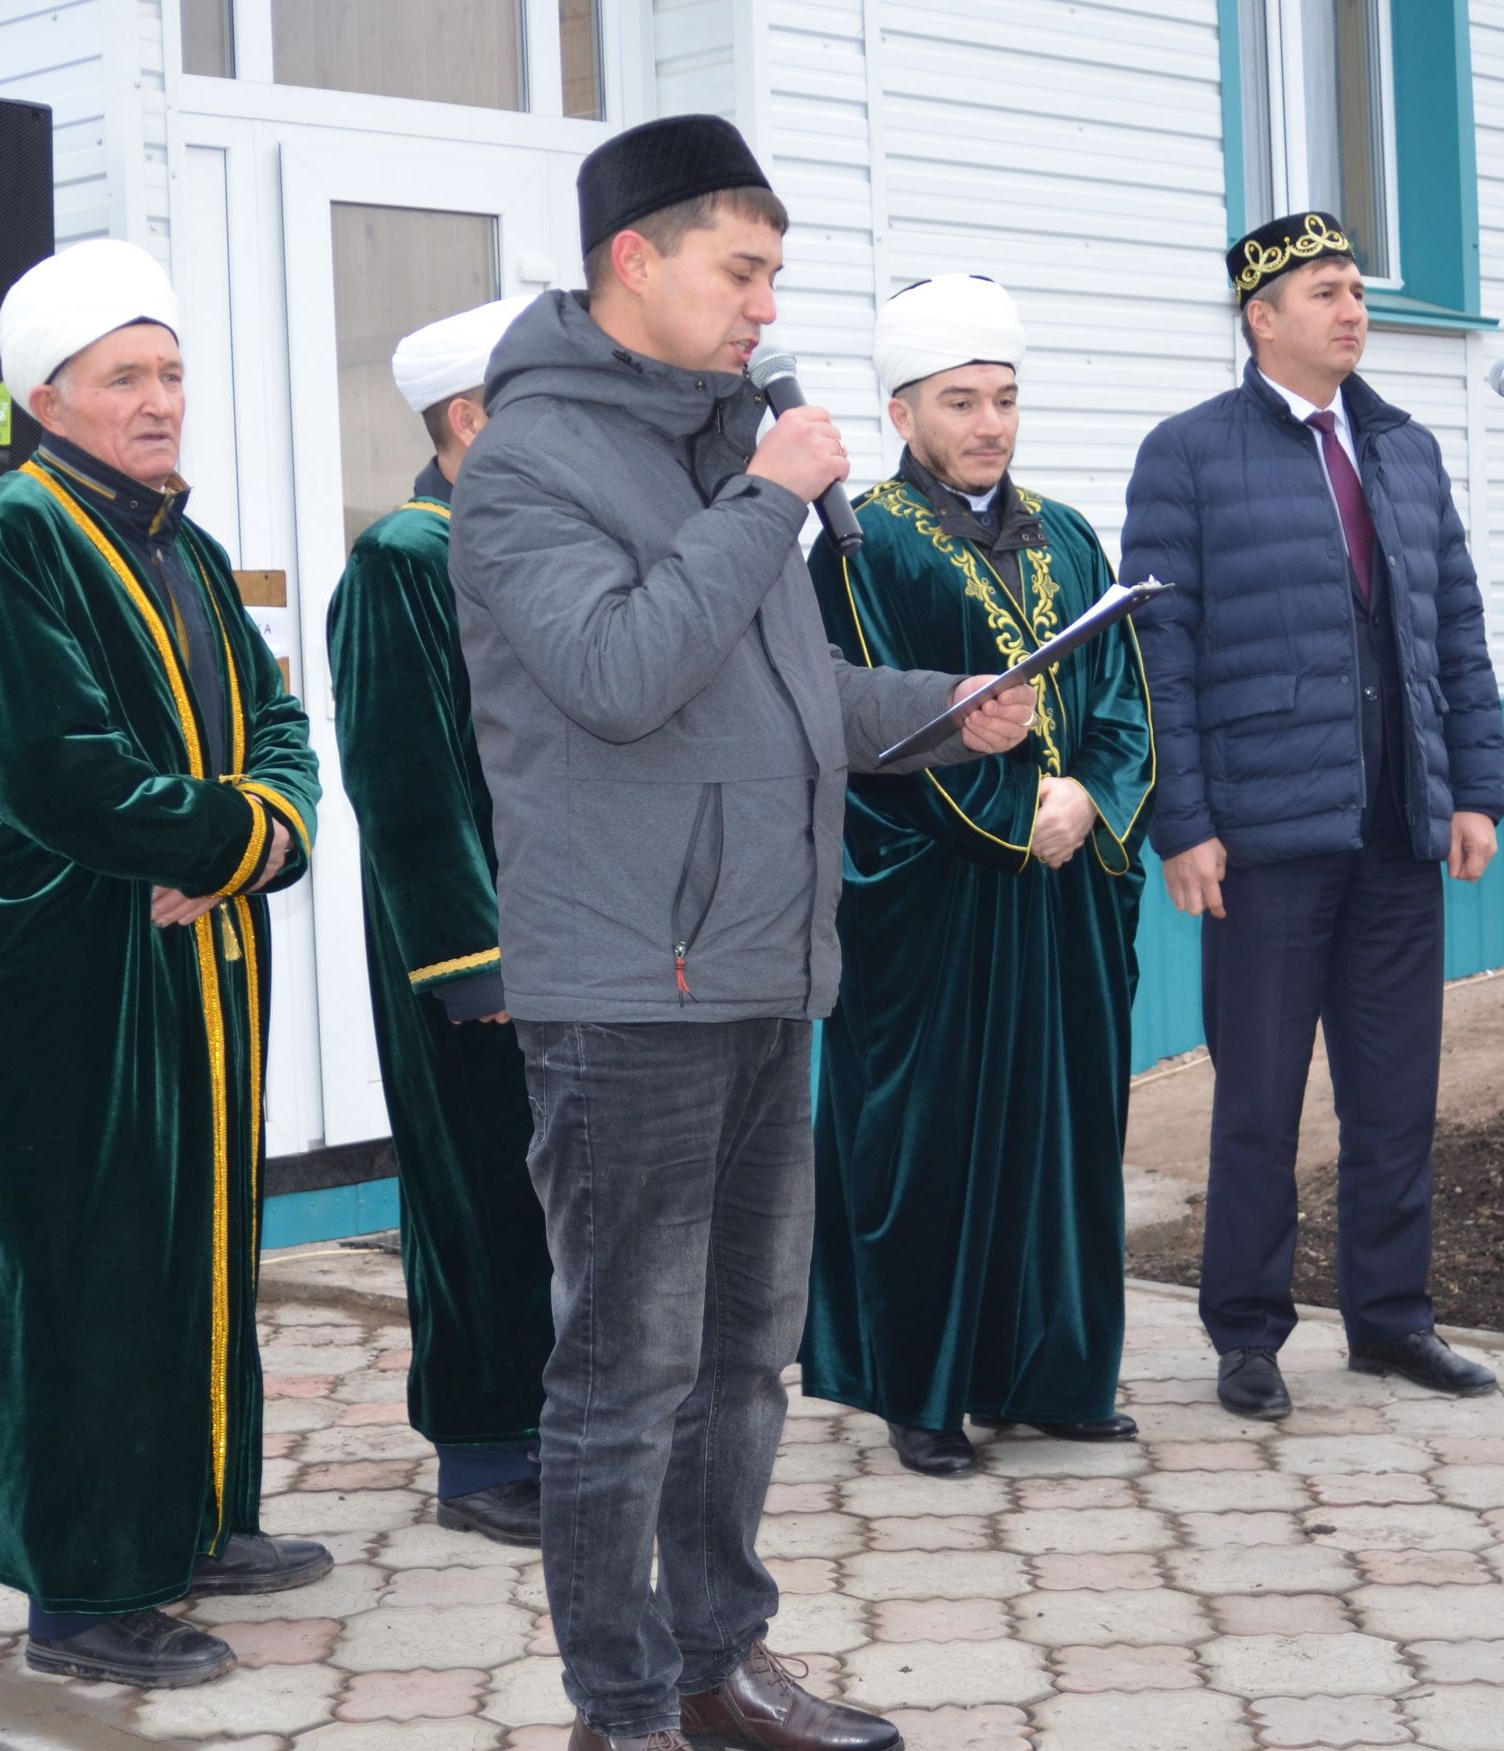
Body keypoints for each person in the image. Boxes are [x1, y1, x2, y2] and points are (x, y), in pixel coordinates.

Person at [451, 116, 1036, 1751]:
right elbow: (624, 672)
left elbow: (783, 689)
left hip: (771, 970)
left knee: (743, 1365)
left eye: (775, 275)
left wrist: (941, 708)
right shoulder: (525, 464)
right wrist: (773, 501)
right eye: (743, 270)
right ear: (635, 258)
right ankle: (619, 1709)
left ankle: (720, 1665)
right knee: (623, 1378)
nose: (766, 308)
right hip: (628, 989)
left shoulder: (724, 443)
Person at [0, 239, 327, 1686]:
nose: (161, 401)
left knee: (196, 1242)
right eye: (126, 377)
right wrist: (231, 837)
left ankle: (192, 1515)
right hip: (71, 980)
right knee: (87, 1264)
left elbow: (284, 733)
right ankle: (83, 1592)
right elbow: (54, 767)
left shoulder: (187, 542)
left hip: (198, 956)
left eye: (169, 372)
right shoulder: (18, 536)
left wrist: (248, 833)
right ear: (47, 397)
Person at [1120, 211, 1504, 1421]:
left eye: (1358, 290)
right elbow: (1159, 656)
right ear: (1262, 316)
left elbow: (1456, 627)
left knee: (1396, 1096)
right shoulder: (1187, 455)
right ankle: (1247, 1332)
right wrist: (1180, 823)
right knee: (1257, 1102)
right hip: (1266, 847)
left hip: (1398, 832)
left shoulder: (1405, 448)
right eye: (1328, 291)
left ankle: (1393, 1321)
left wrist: (1475, 789)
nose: (1354, 310)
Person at [797, 275, 1156, 1479]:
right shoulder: (860, 544)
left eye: (1005, 398)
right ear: (903, 413)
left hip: (1065, 894)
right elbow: (869, 728)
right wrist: (1013, 815)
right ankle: (927, 1389)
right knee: (936, 1140)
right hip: (937, 902)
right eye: (962, 401)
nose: (991, 423)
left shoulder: (1069, 531)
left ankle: (1055, 1373)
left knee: (1061, 1130)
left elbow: (1120, 698)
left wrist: (1086, 799)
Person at [326, 296, 554, 1547]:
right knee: (477, 1194)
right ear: (471, 419)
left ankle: (553, 1425)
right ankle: (478, 1454)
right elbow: (405, 781)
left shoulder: (517, 546)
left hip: (571, 933)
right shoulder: (403, 560)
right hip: (473, 954)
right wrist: (474, 959)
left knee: (552, 1199)